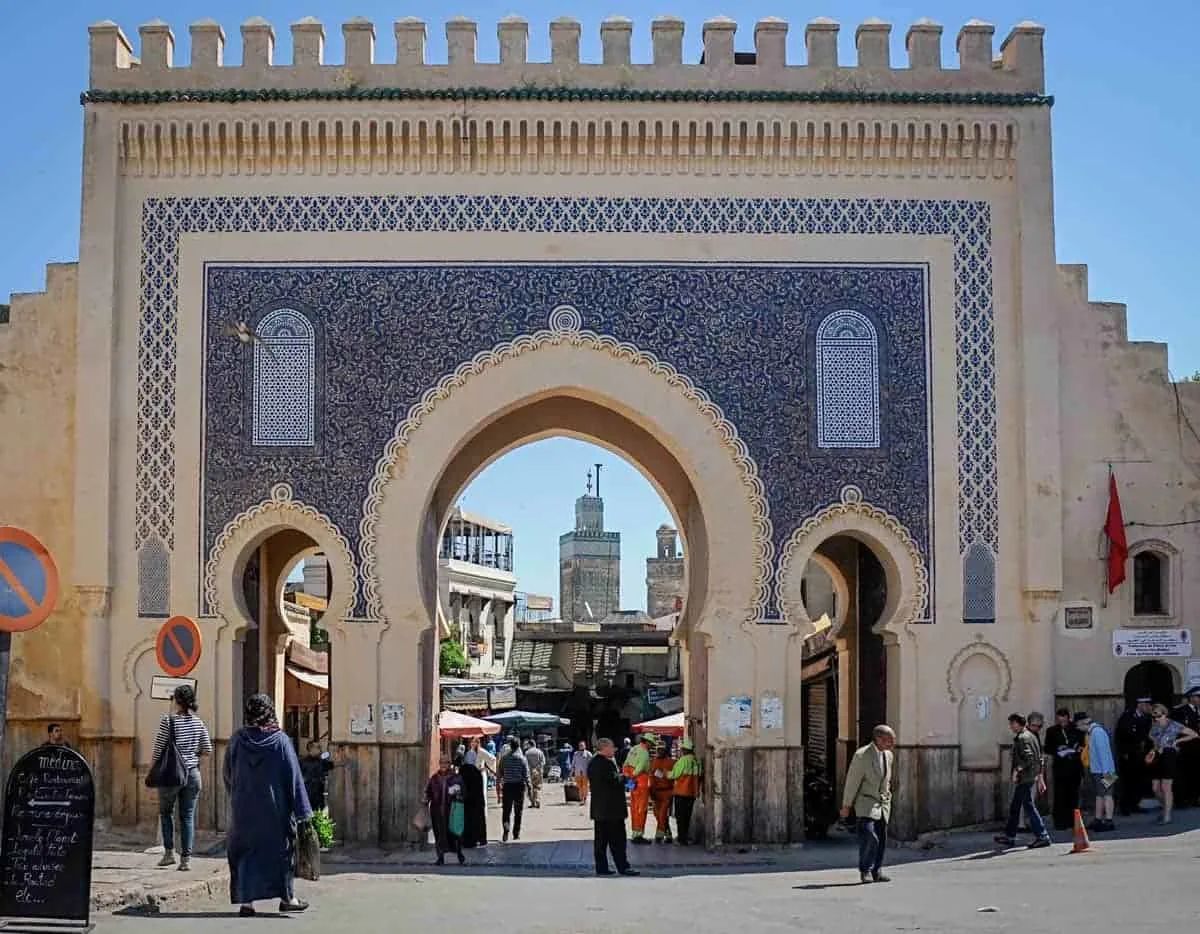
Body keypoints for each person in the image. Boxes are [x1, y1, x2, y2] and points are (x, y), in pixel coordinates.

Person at [224, 693, 312, 916]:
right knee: (281, 854)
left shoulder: (237, 740)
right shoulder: (280, 741)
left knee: (245, 855)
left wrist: (237, 796)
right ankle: (288, 898)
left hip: (243, 811)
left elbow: (227, 774)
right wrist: (302, 811)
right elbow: (293, 778)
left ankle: (247, 903)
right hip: (275, 812)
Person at [152, 684, 213, 871]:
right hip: (193, 774)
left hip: (171, 774)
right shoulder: (198, 722)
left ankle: (169, 853)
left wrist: (154, 769)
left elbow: (158, 749)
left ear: (176, 701)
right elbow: (207, 750)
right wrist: (190, 755)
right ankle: (186, 859)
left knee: (166, 812)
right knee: (187, 816)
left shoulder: (168, 721)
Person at [840, 725, 896, 884]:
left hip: (883, 803)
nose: (891, 744)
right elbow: (852, 781)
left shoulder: (889, 755)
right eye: (888, 741)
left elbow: (886, 780)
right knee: (869, 835)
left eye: (892, 740)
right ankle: (865, 870)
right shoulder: (862, 755)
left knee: (882, 838)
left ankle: (876, 870)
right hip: (866, 802)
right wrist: (846, 805)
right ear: (878, 739)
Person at [994, 713, 1051, 849]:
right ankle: (1010, 836)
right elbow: (1039, 758)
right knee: (1015, 806)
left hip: (1025, 778)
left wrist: (1016, 771)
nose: (1011, 727)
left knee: (1029, 806)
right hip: (1029, 777)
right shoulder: (1031, 736)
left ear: (1017, 724)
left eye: (1012, 724)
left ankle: (1042, 835)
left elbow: (1029, 758)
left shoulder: (1022, 738)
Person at [587, 738, 639, 877]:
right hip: (612, 810)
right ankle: (623, 867)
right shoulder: (605, 763)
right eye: (612, 747)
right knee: (618, 840)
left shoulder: (593, 762)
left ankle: (602, 867)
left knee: (601, 841)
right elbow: (614, 781)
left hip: (600, 810)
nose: (614, 750)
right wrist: (626, 778)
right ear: (604, 748)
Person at [1146, 702, 1198, 824]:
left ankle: (1167, 816)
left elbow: (1194, 734)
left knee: (1166, 787)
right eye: (1154, 716)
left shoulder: (1174, 725)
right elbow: (1152, 739)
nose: (1156, 719)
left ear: (1165, 714)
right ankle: (1166, 808)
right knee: (1155, 788)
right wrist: (1153, 750)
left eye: (1158, 716)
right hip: (1157, 756)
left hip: (1169, 755)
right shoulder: (1154, 726)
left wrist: (1177, 741)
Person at [1042, 708, 1085, 831]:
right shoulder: (1052, 731)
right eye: (1059, 720)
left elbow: (1082, 744)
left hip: (1074, 766)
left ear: (1067, 718)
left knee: (1073, 795)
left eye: (1064, 720)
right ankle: (1060, 822)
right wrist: (1058, 749)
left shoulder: (1076, 729)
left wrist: (1076, 748)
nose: (1062, 722)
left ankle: (1073, 821)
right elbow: (1048, 748)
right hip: (1060, 767)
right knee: (1060, 795)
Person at [1077, 712, 1117, 832]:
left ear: (1083, 722)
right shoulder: (1091, 733)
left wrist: (1106, 772)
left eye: (1078, 725)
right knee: (1099, 795)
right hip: (1098, 769)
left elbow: (1103, 753)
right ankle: (1098, 819)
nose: (1078, 728)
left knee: (1107, 794)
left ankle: (1109, 820)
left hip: (1107, 770)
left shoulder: (1097, 732)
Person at [1115, 697, 1153, 815]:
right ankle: (1124, 806)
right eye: (1146, 704)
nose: (1148, 707)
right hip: (1128, 755)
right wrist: (1123, 752)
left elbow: (1147, 735)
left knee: (1139, 781)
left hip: (1141, 755)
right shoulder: (1127, 717)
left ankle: (1135, 804)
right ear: (1140, 705)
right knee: (1127, 781)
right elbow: (1120, 735)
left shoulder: (1146, 718)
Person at [425, 755, 466, 865]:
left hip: (451, 812)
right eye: (441, 762)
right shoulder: (434, 778)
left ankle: (459, 853)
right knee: (438, 835)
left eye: (446, 763)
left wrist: (457, 793)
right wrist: (426, 799)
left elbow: (463, 792)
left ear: (449, 764)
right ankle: (440, 857)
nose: (443, 765)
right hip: (437, 812)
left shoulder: (456, 777)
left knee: (454, 834)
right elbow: (428, 792)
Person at [1169, 686, 1200, 807]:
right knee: (1184, 774)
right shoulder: (1180, 712)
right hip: (1185, 748)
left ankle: (1195, 797)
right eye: (1198, 697)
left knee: (1197, 774)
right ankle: (1182, 799)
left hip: (1197, 748)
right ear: (1192, 698)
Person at [668, 738, 703, 845]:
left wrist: (665, 774)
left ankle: (681, 839)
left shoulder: (683, 760)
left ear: (684, 749)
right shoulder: (696, 761)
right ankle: (684, 837)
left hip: (681, 793)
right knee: (687, 817)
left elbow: (674, 775)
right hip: (692, 794)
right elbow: (699, 775)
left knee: (680, 817)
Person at [459, 736, 490, 847]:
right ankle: (479, 838)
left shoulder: (463, 771)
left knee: (467, 820)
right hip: (476, 803)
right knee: (477, 820)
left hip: (466, 802)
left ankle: (467, 840)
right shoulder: (477, 773)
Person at [623, 734, 653, 844]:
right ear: (648, 742)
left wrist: (628, 776)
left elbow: (625, 764)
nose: (651, 746)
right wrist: (633, 775)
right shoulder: (644, 753)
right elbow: (639, 769)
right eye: (651, 744)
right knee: (642, 809)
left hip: (633, 784)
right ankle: (639, 835)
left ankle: (634, 833)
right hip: (641, 783)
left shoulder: (633, 749)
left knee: (634, 808)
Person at [499, 737, 530, 842]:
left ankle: (506, 829)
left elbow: (500, 773)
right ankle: (516, 833)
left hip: (507, 787)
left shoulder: (504, 758)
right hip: (519, 787)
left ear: (510, 746)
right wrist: (529, 787)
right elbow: (526, 775)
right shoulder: (522, 759)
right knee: (518, 811)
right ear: (518, 746)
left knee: (506, 810)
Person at [649, 742, 675, 843]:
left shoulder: (671, 762)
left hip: (667, 791)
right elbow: (651, 776)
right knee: (657, 814)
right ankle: (668, 834)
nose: (659, 751)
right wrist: (651, 791)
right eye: (658, 749)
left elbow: (673, 776)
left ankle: (659, 835)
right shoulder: (654, 761)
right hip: (656, 792)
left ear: (666, 750)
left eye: (662, 749)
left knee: (662, 814)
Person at [299, 741, 335, 814]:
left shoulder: (322, 762)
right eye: (318, 747)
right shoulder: (302, 762)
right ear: (311, 749)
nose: (320, 749)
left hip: (319, 795)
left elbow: (333, 764)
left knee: (318, 816)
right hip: (307, 795)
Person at [524, 741, 546, 808]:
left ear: (530, 745)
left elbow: (525, 763)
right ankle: (537, 800)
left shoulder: (527, 753)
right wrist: (537, 768)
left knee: (530, 788)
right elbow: (543, 762)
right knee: (537, 787)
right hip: (538, 772)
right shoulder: (540, 752)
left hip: (530, 772)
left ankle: (532, 802)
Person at [572, 741, 594, 805]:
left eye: (582, 745)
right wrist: (572, 771)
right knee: (579, 786)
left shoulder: (588, 754)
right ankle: (581, 798)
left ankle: (585, 798)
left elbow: (591, 763)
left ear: (585, 746)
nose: (581, 746)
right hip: (577, 773)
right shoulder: (576, 754)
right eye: (580, 745)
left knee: (585, 786)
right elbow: (573, 763)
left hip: (585, 773)